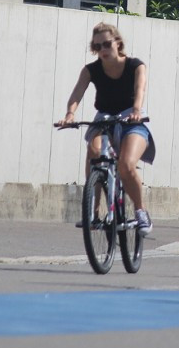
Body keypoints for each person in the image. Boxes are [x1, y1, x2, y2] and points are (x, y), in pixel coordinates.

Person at [56, 22, 156, 237]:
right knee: (93, 151)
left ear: (117, 43)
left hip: (131, 118)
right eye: (97, 46)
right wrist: (70, 115)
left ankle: (141, 211)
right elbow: (77, 94)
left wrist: (137, 110)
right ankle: (92, 211)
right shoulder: (90, 70)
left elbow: (140, 89)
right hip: (104, 119)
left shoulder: (135, 66)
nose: (103, 50)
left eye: (107, 44)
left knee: (126, 165)